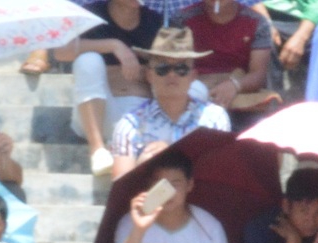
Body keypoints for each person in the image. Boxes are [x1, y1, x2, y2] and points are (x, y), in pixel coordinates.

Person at [62, 0, 165, 178]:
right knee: (88, 61)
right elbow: (61, 52)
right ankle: (97, 150)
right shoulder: (91, 16)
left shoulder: (154, 21)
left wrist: (144, 68)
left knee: (192, 87)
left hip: (141, 115)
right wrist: (114, 45)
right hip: (98, 115)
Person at [110, 27, 229, 168]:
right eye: (163, 68)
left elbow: (220, 171)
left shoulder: (215, 119)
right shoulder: (130, 124)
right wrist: (142, 166)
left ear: (193, 76)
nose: (172, 74)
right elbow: (122, 186)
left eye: (181, 68)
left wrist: (169, 153)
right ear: (149, 76)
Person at [185, 0, 278, 117]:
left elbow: (258, 74)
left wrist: (235, 85)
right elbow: (177, 66)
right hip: (194, 95)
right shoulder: (183, 20)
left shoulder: (257, 22)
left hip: (241, 96)